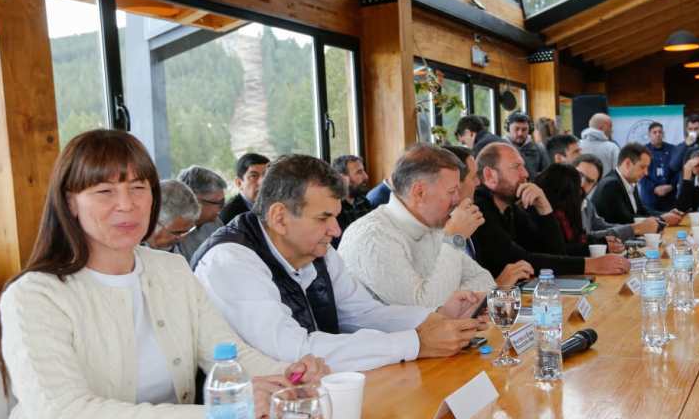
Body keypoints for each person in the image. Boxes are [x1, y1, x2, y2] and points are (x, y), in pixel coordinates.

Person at [0, 129, 327, 419]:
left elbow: (230, 356)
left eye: (138, 187)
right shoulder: (34, 296)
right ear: (70, 202)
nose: (127, 205)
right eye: (105, 191)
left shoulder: (171, 270)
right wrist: (228, 414)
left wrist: (290, 377)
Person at [193, 154, 483, 372]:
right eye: (323, 218)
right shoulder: (231, 260)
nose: (335, 229)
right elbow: (295, 351)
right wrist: (415, 342)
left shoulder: (318, 249)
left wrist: (434, 318)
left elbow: (362, 312)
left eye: (335, 216)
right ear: (279, 218)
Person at [337, 144, 497, 309]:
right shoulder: (372, 237)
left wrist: (451, 299)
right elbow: (423, 310)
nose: (458, 199)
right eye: (451, 191)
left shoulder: (433, 223)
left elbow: (485, 281)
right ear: (419, 192)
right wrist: (455, 240)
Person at [470, 142, 629, 277]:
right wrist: (591, 265)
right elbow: (520, 259)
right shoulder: (479, 208)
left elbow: (555, 252)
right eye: (516, 167)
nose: (525, 173)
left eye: (523, 166)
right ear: (489, 175)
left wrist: (544, 207)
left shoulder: (510, 209)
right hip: (494, 301)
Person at [446, 144, 535, 286]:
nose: (478, 182)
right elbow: (447, 294)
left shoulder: (467, 216)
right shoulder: (472, 213)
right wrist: (497, 287)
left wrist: (545, 211)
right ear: (454, 184)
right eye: (473, 177)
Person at [534, 163, 624, 255]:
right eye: (581, 176)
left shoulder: (580, 205)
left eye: (589, 181)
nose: (582, 185)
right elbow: (558, 250)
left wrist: (601, 241)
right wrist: (598, 245)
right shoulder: (542, 212)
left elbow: (578, 238)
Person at [591, 143, 684, 226]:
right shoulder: (611, 185)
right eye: (642, 167)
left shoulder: (630, 180)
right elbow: (626, 221)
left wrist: (665, 214)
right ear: (627, 163)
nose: (646, 173)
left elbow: (641, 210)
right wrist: (662, 219)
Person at [573, 154, 658, 242]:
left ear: (594, 186)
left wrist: (637, 228)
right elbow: (584, 238)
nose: (581, 183)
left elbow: (601, 226)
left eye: (589, 181)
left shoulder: (586, 203)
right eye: (579, 175)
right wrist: (635, 229)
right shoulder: (611, 184)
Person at [177, 165, 227, 261]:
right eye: (218, 203)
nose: (223, 207)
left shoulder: (215, 223)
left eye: (223, 201)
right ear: (194, 200)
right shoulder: (172, 232)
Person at [146, 180, 200, 260]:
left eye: (187, 231)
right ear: (152, 221)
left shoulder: (171, 250)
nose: (182, 239)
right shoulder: (128, 251)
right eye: (177, 233)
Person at [639, 122, 680, 213]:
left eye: (660, 132)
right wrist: (654, 188)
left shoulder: (673, 149)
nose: (658, 134)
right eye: (654, 132)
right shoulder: (642, 151)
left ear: (663, 134)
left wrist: (671, 186)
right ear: (649, 134)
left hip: (669, 197)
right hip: (650, 198)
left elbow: (678, 170)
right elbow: (640, 174)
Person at [330, 154, 373, 239]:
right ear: (342, 178)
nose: (366, 177)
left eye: (363, 171)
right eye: (359, 172)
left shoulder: (364, 202)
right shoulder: (334, 209)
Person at [220, 152, 269, 223]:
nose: (262, 182)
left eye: (266, 175)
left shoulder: (277, 205)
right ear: (239, 183)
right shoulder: (229, 215)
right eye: (253, 176)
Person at [504, 112, 549, 178]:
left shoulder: (539, 148)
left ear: (530, 130)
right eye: (516, 129)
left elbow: (547, 174)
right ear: (508, 129)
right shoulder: (500, 148)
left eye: (524, 129)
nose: (520, 133)